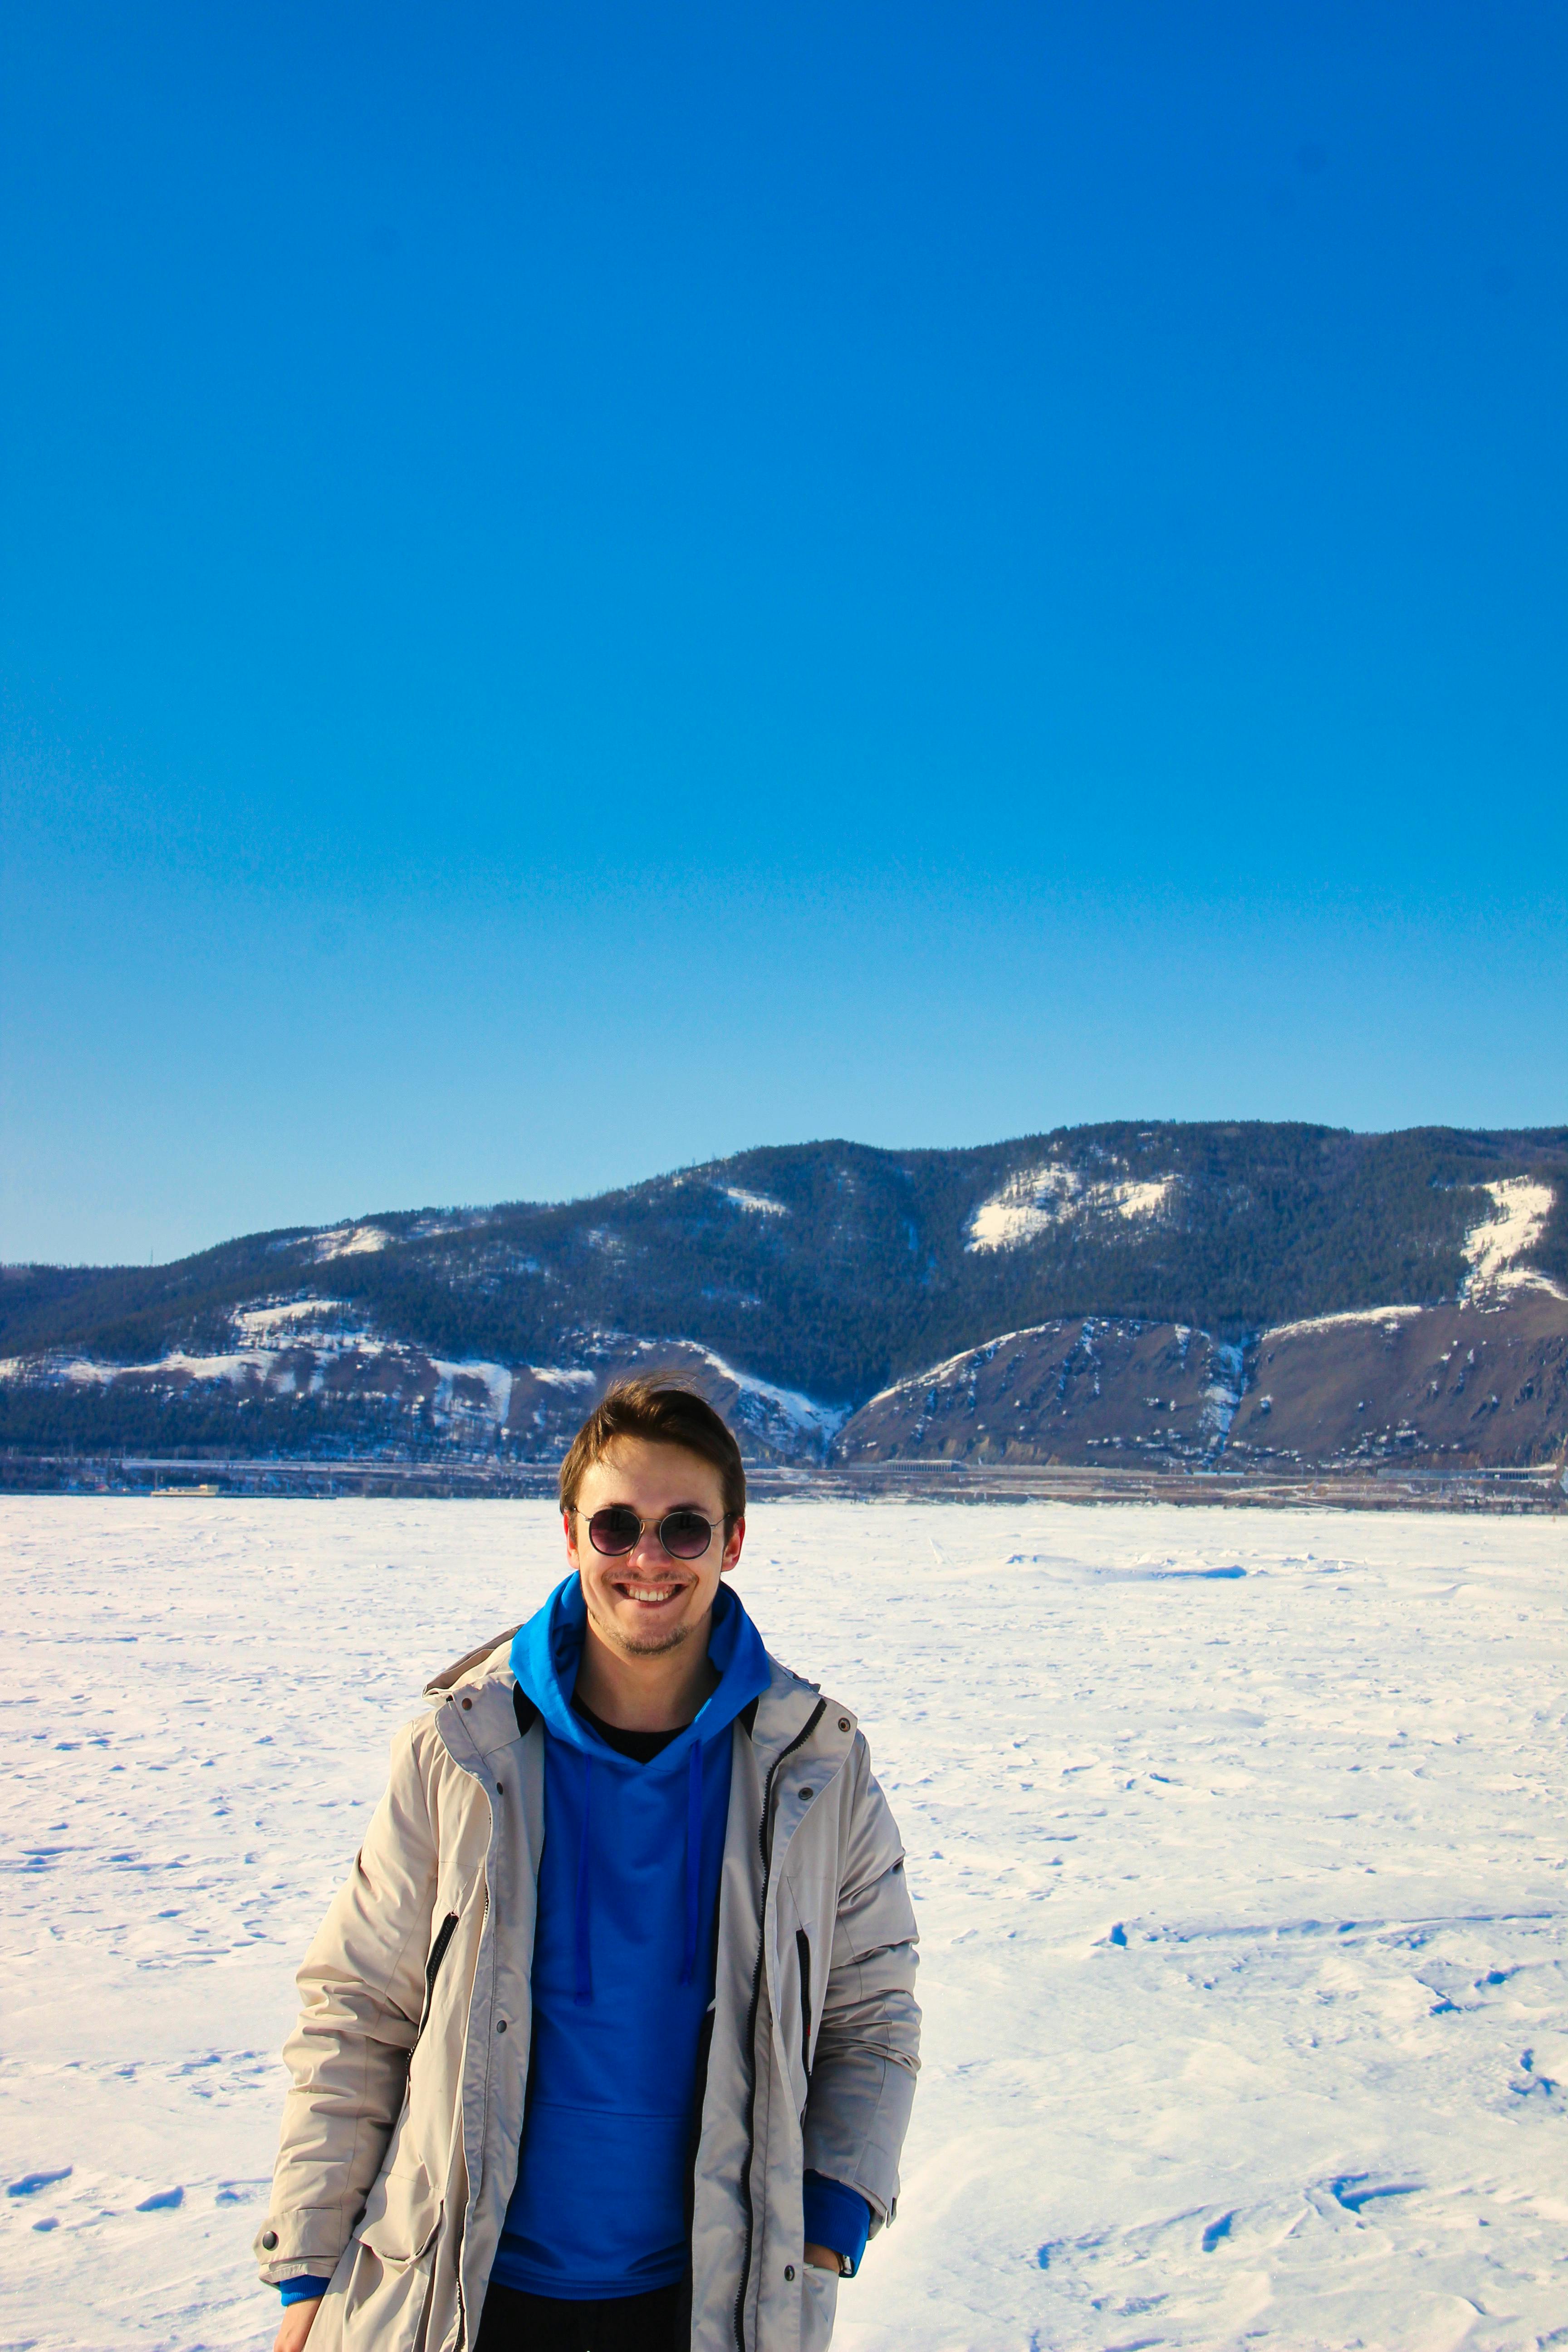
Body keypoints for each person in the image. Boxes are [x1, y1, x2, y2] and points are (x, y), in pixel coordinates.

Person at [256, 1379, 920, 2351]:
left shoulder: (813, 1766)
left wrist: (824, 2230)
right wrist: (310, 2267)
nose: (648, 1558)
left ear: (732, 1543)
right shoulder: (462, 1749)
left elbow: (873, 2018)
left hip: (708, 2306)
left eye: (684, 1528)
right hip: (459, 2296)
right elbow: (359, 2010)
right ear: (570, 1535)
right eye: (616, 1526)